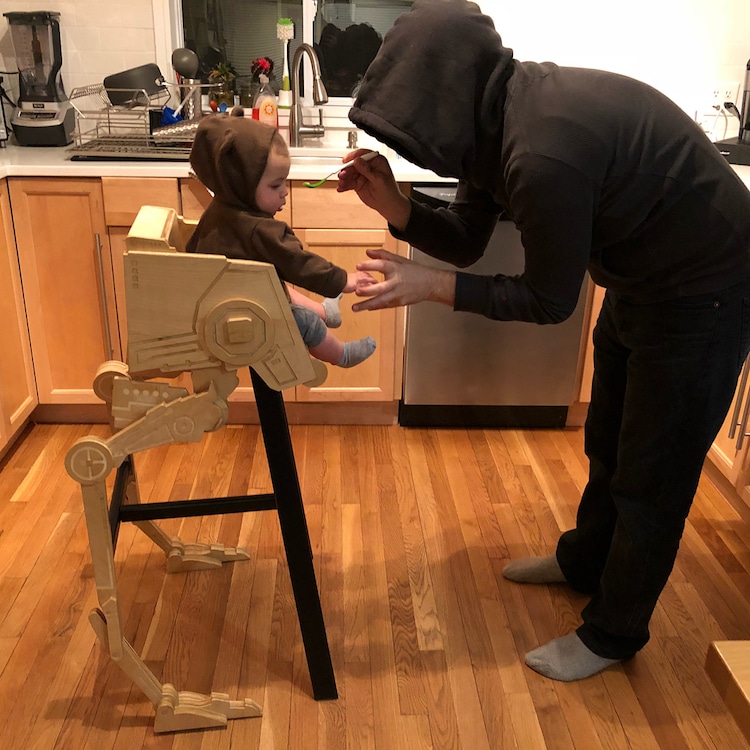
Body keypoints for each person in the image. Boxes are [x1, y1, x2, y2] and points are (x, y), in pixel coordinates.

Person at [337, 0, 750, 681]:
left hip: (707, 292)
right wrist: (396, 208)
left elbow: (548, 301)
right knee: (609, 442)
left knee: (654, 477)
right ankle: (584, 563)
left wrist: (428, 285)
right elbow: (470, 242)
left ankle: (614, 635)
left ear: (448, 95)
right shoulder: (495, 116)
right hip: (645, 280)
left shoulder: (541, 151)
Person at [187, 111, 377, 369]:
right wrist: (344, 280)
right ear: (242, 184)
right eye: (275, 186)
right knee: (300, 321)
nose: (284, 192)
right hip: (237, 312)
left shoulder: (221, 206)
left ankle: (326, 312)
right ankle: (340, 354)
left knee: (277, 287)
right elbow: (299, 263)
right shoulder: (260, 229)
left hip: (223, 295)